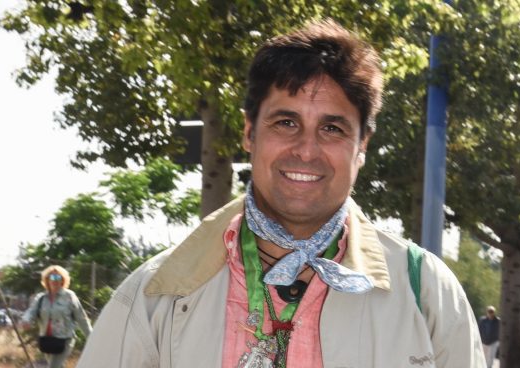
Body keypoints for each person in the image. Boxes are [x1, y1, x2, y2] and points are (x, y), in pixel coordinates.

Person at [77, 19, 485, 368]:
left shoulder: (427, 293)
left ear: (362, 145)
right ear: (249, 133)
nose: (306, 151)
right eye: (286, 123)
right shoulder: (153, 297)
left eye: (332, 128)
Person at [22, 265, 92, 368]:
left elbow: (81, 317)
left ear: (63, 280)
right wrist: (26, 320)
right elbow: (31, 311)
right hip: (47, 339)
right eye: (52, 278)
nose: (55, 280)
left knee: (53, 366)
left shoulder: (69, 296)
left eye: (58, 278)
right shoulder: (41, 298)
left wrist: (91, 336)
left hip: (65, 339)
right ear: (47, 280)